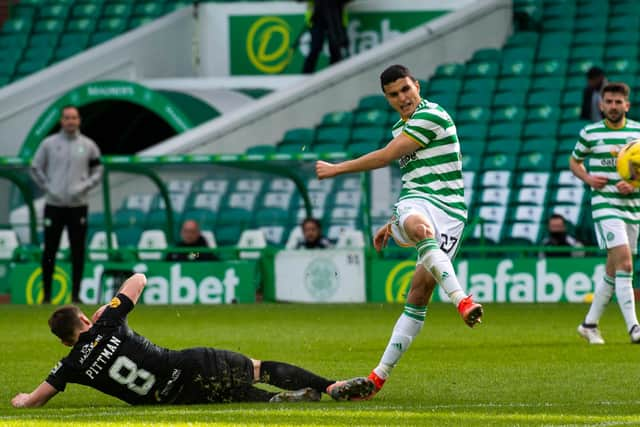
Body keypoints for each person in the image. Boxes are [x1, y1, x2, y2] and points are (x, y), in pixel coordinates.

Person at [316, 64, 483, 399]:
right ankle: (462, 300)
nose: (402, 98)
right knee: (421, 230)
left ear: (416, 86)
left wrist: (338, 169)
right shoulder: (400, 128)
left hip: (450, 213)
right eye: (394, 94)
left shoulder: (431, 115)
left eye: (406, 89)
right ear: (387, 98)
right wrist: (395, 223)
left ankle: (376, 379)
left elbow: (387, 157)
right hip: (418, 204)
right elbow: (414, 182)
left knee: (419, 294)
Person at [10, 273, 373, 408]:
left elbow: (34, 401)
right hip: (185, 365)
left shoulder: (70, 365)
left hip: (167, 399)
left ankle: (281, 401)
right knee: (257, 369)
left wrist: (22, 399)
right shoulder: (108, 323)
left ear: (63, 341)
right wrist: (107, 307)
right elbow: (139, 278)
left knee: (235, 397)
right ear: (86, 320)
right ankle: (330, 387)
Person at [570, 82, 640, 344]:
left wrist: (633, 183)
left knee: (613, 271)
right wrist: (588, 178)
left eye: (617, 102)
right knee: (625, 263)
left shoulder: (638, 133)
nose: (613, 106)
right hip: (605, 206)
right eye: (608, 102)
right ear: (601, 105)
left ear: (627, 105)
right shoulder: (590, 133)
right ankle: (634, 328)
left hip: (633, 207)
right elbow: (574, 161)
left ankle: (589, 324)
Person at [30, 105, 103, 304]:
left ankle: (76, 295)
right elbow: (35, 167)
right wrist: (48, 187)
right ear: (62, 121)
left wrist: (84, 186)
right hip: (53, 204)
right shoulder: (49, 144)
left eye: (74, 118)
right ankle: (46, 295)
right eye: (67, 118)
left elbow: (98, 170)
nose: (70, 121)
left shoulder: (88, 145)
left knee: (78, 250)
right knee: (50, 250)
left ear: (79, 120)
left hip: (78, 205)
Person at [301, 0, 349, 74]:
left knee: (335, 48)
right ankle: (305, 75)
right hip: (316, 18)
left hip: (335, 18)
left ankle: (334, 73)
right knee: (315, 46)